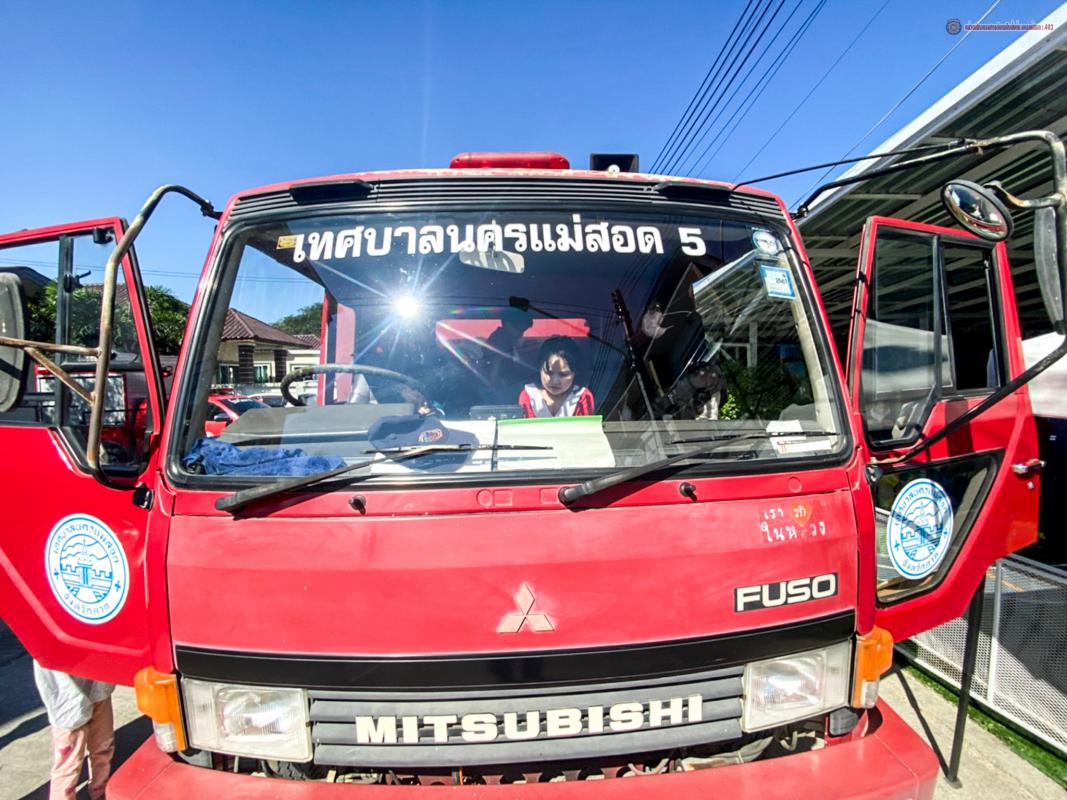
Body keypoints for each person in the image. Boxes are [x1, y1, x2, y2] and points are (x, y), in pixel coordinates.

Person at [33, 661, 116, 800]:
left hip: (98, 687)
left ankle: (100, 791)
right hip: (68, 704)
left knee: (103, 746)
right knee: (68, 765)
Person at [519, 336, 595, 418]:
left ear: (575, 373)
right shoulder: (529, 396)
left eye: (563, 374)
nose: (555, 381)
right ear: (539, 369)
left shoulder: (583, 397)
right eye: (549, 373)